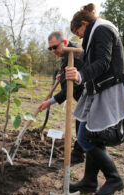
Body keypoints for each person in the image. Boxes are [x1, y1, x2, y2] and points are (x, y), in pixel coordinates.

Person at [65, 3, 124, 195]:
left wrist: (80, 75)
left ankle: (114, 179)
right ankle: (89, 181)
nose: (79, 37)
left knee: (86, 136)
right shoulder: (96, 32)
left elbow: (103, 62)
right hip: (99, 88)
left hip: (109, 87)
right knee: (91, 134)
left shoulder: (102, 29)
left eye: (78, 32)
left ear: (84, 23)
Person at [38, 31, 85, 164]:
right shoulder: (68, 53)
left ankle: (79, 154)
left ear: (64, 43)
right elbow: (68, 71)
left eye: (55, 47)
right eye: (50, 48)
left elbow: (70, 89)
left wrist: (50, 102)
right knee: (81, 122)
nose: (53, 50)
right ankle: (79, 153)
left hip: (90, 97)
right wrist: (62, 75)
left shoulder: (75, 55)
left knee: (83, 125)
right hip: (84, 99)